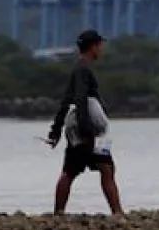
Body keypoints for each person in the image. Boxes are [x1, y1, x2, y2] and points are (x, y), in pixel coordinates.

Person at [45, 29, 124, 216]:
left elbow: (66, 101)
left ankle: (59, 213)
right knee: (99, 168)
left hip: (82, 127)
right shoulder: (83, 70)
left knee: (77, 169)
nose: (101, 50)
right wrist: (86, 129)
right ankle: (117, 212)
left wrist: (56, 129)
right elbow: (80, 99)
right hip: (87, 129)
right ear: (93, 47)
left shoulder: (78, 69)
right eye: (99, 46)